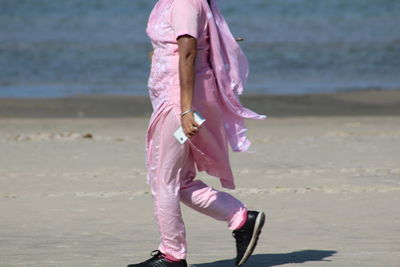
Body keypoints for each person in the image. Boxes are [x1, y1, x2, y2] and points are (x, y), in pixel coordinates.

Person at [127, 0, 267, 266]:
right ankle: (240, 218)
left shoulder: (183, 2)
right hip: (181, 102)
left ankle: (172, 255)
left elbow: (188, 52)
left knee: (163, 179)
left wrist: (186, 110)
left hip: (178, 104)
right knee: (180, 179)